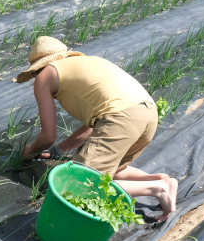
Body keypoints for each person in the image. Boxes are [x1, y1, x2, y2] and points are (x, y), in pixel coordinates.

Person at [16, 36, 179, 221]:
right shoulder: (87, 64)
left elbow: (48, 136)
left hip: (121, 118)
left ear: (37, 68)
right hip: (148, 114)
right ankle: (158, 179)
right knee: (113, 169)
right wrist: (55, 152)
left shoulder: (45, 76)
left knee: (79, 186)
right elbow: (89, 130)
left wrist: (27, 153)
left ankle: (157, 189)